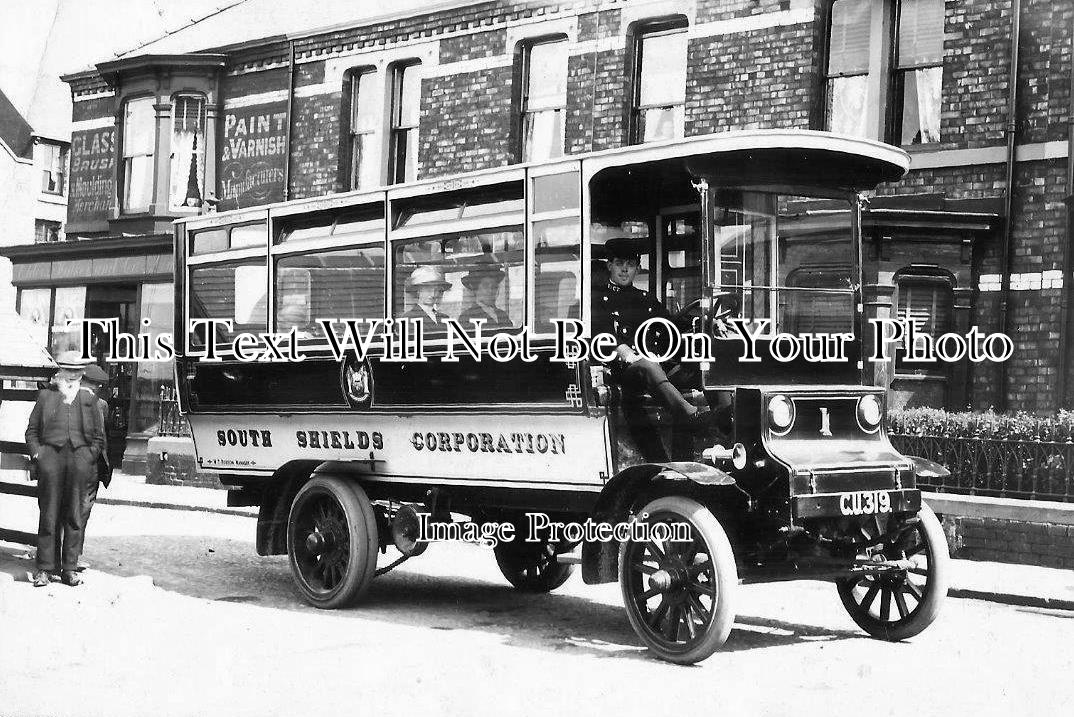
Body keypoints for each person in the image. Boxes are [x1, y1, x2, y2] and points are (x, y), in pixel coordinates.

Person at [592, 238, 709, 458]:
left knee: (705, 364)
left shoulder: (645, 299)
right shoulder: (597, 299)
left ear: (637, 268)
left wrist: (704, 322)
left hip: (654, 366)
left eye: (630, 264)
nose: (624, 269)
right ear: (609, 265)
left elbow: (670, 325)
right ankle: (691, 416)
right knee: (647, 365)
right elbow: (600, 333)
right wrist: (624, 351)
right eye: (619, 263)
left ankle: (726, 421)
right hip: (622, 371)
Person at [25, 351, 106, 587]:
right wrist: (39, 454)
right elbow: (31, 431)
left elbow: (98, 437)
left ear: (82, 373)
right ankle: (44, 569)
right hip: (51, 459)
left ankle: (69, 569)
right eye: (68, 370)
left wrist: (88, 457)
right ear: (60, 370)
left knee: (74, 515)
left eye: (76, 371)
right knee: (48, 514)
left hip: (79, 461)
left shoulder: (89, 398)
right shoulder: (46, 396)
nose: (72, 375)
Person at [77, 363, 112, 571]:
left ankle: (72, 555)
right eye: (95, 384)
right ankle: (67, 556)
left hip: (91, 466)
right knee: (77, 512)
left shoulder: (102, 405)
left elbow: (103, 437)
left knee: (82, 512)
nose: (97, 389)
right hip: (79, 465)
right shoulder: (72, 401)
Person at [458, 263, 512, 330]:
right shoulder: (466, 317)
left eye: (494, 286)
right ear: (476, 289)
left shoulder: (502, 315)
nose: (490, 290)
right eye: (485, 286)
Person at [402, 266, 452, 334]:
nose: (433, 294)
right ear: (418, 290)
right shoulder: (409, 318)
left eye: (436, 290)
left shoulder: (445, 318)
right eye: (428, 289)